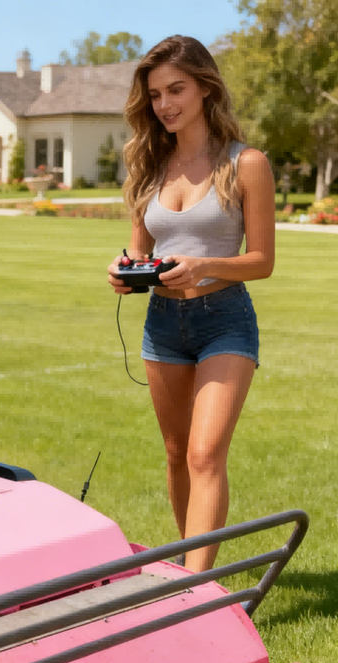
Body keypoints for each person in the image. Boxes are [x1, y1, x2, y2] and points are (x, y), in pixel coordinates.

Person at [108, 35, 276, 573]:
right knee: (177, 454)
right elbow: (139, 249)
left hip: (224, 320)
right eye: (155, 94)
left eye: (176, 89)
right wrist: (125, 269)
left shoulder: (246, 163)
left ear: (205, 87)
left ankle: (197, 591)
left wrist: (203, 265)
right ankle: (185, 570)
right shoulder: (148, 165)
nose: (164, 104)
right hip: (162, 323)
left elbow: (262, 261)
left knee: (206, 455)